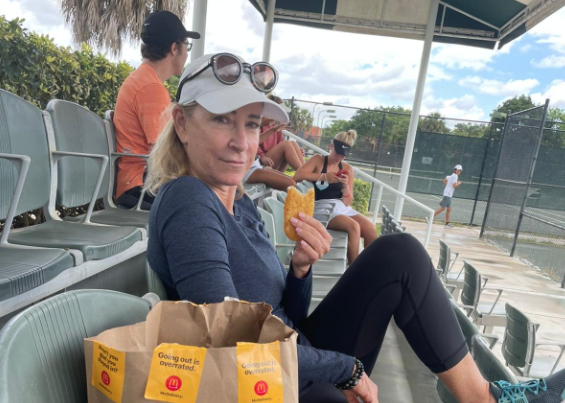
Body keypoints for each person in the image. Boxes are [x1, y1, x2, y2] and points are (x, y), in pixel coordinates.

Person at [145, 53, 565, 403]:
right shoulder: (188, 198)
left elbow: (287, 315)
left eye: (252, 123)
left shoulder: (240, 205)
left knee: (398, 254)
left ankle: (486, 397)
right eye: (222, 120)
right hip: (263, 384)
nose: (242, 141)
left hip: (291, 357)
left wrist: (300, 271)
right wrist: (344, 368)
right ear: (181, 123)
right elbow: (227, 337)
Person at [113, 10, 199, 209]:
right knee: (207, 201)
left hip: (139, 183)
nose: (187, 53)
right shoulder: (150, 87)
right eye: (187, 46)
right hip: (139, 187)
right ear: (174, 48)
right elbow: (169, 150)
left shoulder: (144, 80)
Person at [293, 130, 378, 264]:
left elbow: (347, 202)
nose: (339, 157)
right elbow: (297, 176)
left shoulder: (347, 169)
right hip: (321, 207)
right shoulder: (319, 160)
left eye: (343, 155)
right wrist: (324, 177)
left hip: (340, 206)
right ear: (331, 146)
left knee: (371, 229)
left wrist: (345, 186)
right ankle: (353, 271)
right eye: (337, 153)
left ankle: (370, 267)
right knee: (354, 227)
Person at [256, 95, 305, 173]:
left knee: (292, 143)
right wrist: (262, 156)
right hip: (261, 161)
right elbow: (252, 142)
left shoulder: (275, 127)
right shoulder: (258, 123)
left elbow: (280, 146)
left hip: (271, 162)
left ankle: (305, 172)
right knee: (286, 144)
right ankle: (304, 174)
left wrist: (296, 151)